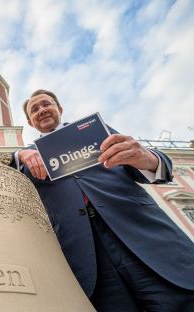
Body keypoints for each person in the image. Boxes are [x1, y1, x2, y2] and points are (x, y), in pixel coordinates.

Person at [11, 89, 194, 311]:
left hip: (144, 239)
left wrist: (147, 157)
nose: (42, 110)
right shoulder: (28, 158)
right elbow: (2, 177)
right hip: (88, 260)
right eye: (34, 109)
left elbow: (160, 168)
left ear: (59, 109)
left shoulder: (95, 132)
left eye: (46, 104)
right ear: (30, 122)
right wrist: (19, 154)